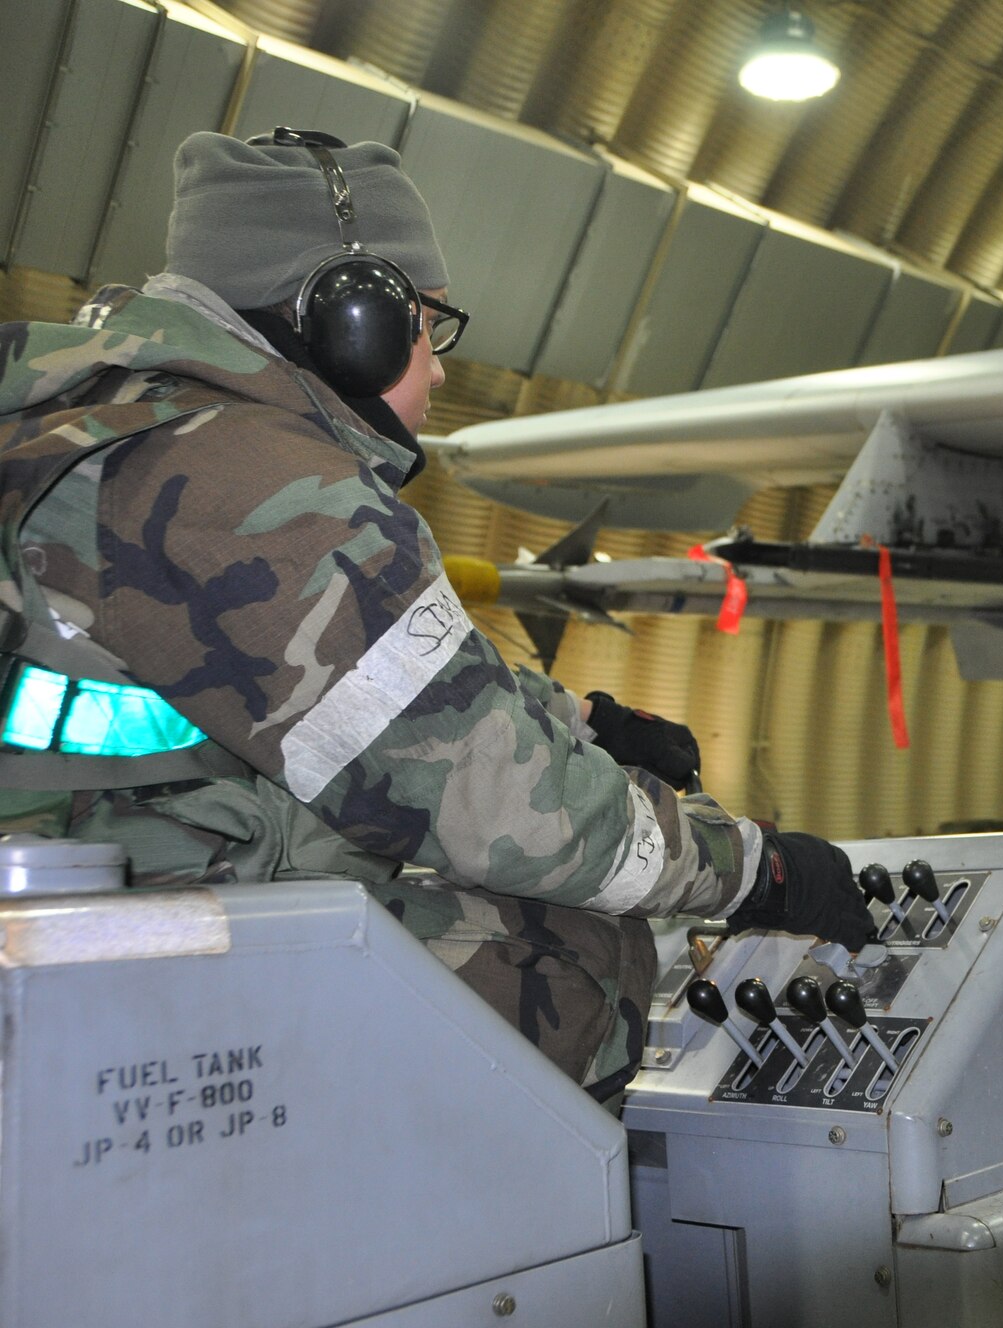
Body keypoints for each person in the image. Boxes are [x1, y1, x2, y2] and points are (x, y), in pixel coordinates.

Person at [0, 129, 872, 1101]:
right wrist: (756, 869)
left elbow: (385, 698)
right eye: (428, 323)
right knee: (575, 949)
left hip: (78, 893)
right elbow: (499, 801)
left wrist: (575, 723)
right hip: (112, 956)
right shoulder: (260, 482)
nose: (443, 367)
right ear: (351, 317)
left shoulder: (112, 419)